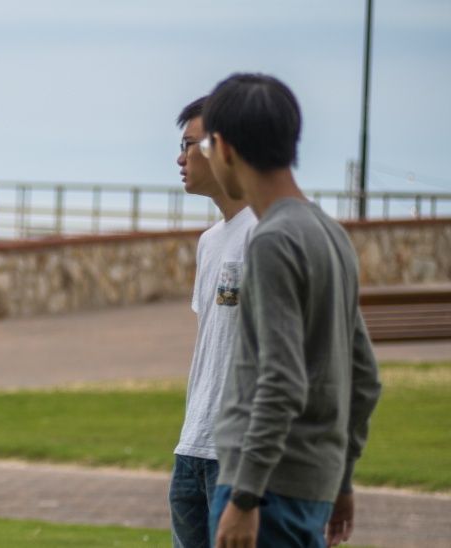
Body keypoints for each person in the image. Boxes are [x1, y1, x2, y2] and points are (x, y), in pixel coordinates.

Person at [199, 73, 381, 548]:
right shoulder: (331, 234)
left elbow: (280, 379)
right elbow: (364, 377)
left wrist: (244, 498)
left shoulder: (273, 241)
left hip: (264, 497)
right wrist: (340, 479)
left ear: (225, 148)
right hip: (312, 488)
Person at [168, 95, 256, 548]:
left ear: (224, 148)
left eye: (189, 145)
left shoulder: (267, 235)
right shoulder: (210, 242)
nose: (180, 159)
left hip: (239, 459)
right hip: (192, 450)